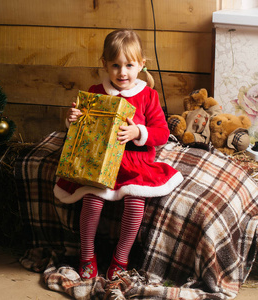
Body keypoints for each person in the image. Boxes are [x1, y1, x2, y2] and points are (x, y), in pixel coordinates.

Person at [53, 29, 184, 281]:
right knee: (91, 201)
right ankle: (87, 255)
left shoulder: (148, 96)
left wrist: (138, 131)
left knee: (135, 204)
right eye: (115, 65)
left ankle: (120, 258)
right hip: (99, 161)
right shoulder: (95, 91)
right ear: (105, 64)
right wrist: (73, 120)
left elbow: (162, 133)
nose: (122, 72)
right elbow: (81, 128)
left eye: (129, 65)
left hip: (135, 162)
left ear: (141, 65)